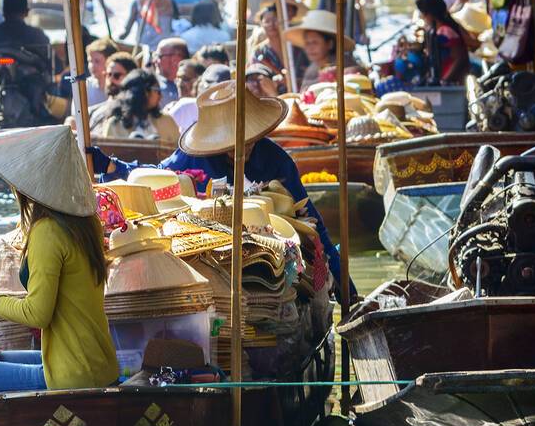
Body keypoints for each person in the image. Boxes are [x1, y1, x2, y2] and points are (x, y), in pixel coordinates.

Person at [90, 83, 344, 285]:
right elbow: (159, 176)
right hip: (211, 252)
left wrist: (347, 289)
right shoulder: (193, 156)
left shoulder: (277, 159)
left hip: (270, 253)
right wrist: (112, 166)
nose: (241, 147)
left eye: (248, 139)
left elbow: (312, 220)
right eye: (232, 141)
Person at [0, 125, 118, 393]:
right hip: (97, 365)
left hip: (73, 377)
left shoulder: (47, 231)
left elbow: (37, 314)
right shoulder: (87, 223)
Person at [90, 69, 181, 146]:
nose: (160, 96)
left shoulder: (166, 121)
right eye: (157, 91)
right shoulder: (115, 124)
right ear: (144, 92)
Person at [415, 0, 477, 85]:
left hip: (453, 82)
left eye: (424, 13)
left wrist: (445, 80)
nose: (423, 17)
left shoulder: (445, 31)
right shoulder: (435, 30)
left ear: (431, 14)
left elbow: (459, 58)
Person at [286, 9, 353, 88]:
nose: (310, 48)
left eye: (315, 42)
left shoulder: (344, 63)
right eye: (307, 43)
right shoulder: (311, 69)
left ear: (329, 44)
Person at [152, 37, 190, 104]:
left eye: (159, 56)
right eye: (154, 55)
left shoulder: (194, 89)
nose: (154, 61)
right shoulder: (152, 87)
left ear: (175, 60)